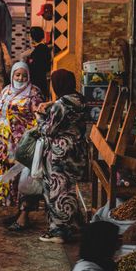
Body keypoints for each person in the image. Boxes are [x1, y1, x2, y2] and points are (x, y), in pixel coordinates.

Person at [36, 69, 87, 242]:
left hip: (60, 153)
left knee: (57, 191)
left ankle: (59, 231)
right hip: (77, 151)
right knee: (69, 189)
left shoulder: (60, 106)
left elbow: (48, 130)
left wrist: (40, 117)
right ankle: (74, 226)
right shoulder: (79, 100)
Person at [0, 61, 44, 207]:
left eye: (24, 75)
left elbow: (39, 117)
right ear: (12, 75)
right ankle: (9, 202)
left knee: (22, 174)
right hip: (3, 143)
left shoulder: (34, 93)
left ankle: (22, 210)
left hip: (22, 144)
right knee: (6, 170)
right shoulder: (6, 90)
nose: (21, 78)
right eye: (18, 75)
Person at [22, 26, 52, 99]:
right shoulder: (41, 48)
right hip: (40, 83)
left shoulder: (40, 49)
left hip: (38, 85)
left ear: (32, 37)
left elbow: (36, 68)